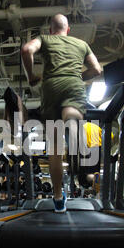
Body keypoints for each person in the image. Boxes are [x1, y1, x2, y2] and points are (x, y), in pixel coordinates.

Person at [21, 14, 102, 213]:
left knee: (55, 149)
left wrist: (31, 76)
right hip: (73, 85)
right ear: (68, 30)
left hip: (51, 87)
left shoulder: (45, 39)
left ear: (51, 29)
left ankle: (58, 198)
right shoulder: (81, 44)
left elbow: (26, 49)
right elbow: (97, 69)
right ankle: (73, 124)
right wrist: (79, 76)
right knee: (72, 116)